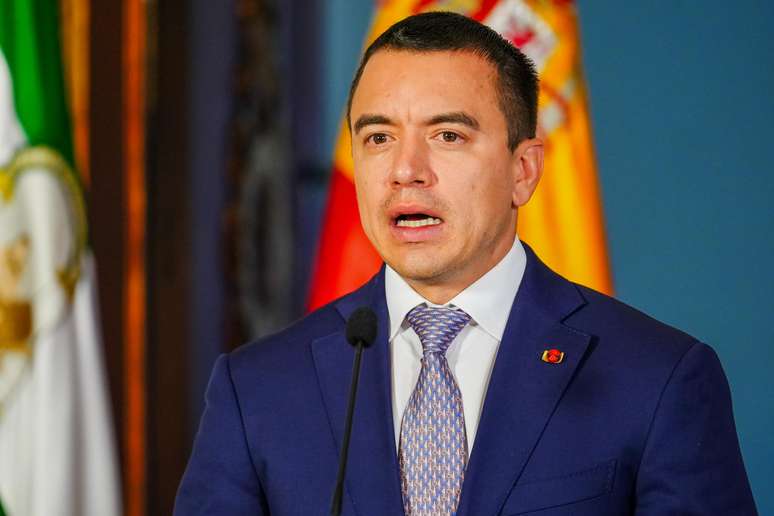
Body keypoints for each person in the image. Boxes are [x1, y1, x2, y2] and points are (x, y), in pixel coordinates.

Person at [174, 12, 757, 515]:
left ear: (523, 171)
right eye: (378, 138)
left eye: (447, 136)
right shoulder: (255, 391)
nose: (406, 171)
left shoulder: (659, 380)